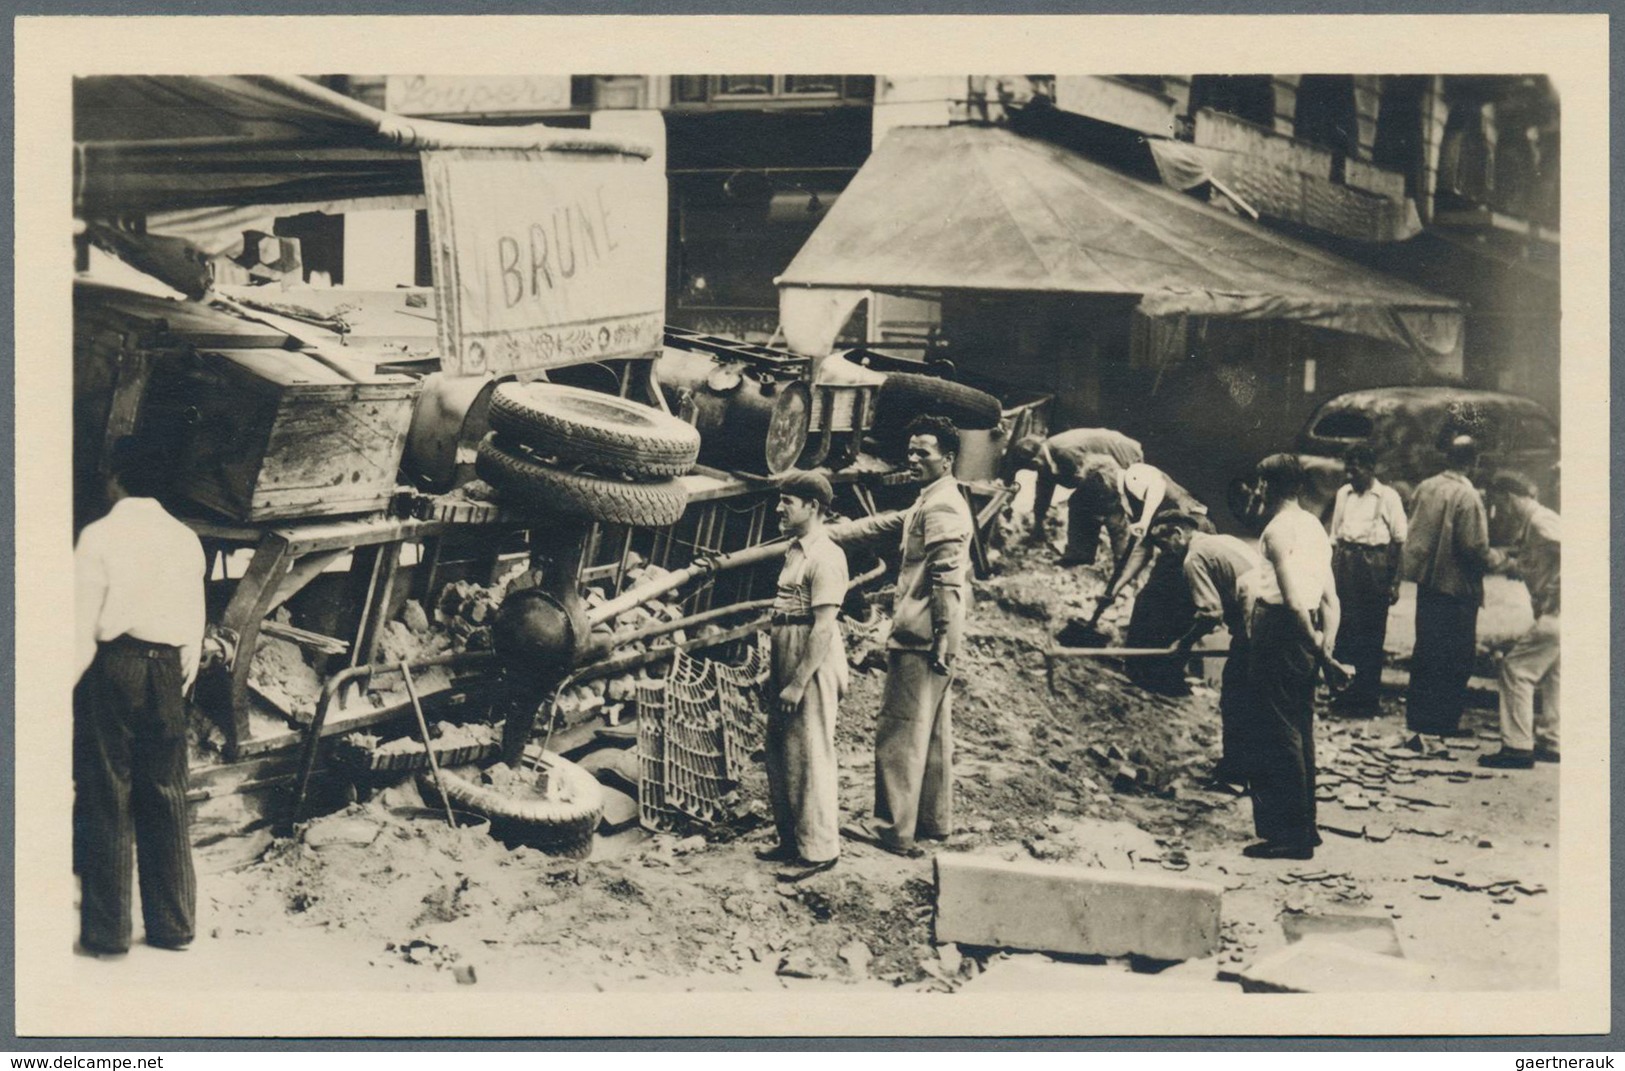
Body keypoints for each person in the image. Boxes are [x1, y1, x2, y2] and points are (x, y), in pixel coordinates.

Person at [74, 435, 206, 955]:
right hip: (169, 669)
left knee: (109, 791)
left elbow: (80, 629)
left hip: (117, 666)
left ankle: (108, 934)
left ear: (115, 480)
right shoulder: (185, 539)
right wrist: (178, 680)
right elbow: (195, 627)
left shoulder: (100, 536)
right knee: (167, 792)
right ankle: (174, 927)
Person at [841, 415, 975, 859]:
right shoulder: (937, 498)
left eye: (924, 453)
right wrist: (831, 532)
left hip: (921, 635)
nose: (914, 458)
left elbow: (947, 579)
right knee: (932, 733)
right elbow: (886, 525)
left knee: (899, 733)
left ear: (948, 459)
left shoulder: (941, 506)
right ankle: (933, 823)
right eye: (912, 450)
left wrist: (939, 639)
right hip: (935, 634)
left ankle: (893, 829)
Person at [1245, 454, 1339, 861]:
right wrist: (1325, 646)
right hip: (1306, 631)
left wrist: (1320, 649)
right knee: (1300, 727)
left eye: (1261, 484)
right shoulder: (1315, 526)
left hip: (1280, 629)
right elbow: (1330, 601)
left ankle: (1289, 837)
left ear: (1266, 486)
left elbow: (1294, 601)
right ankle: (1305, 827)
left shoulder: (1276, 530)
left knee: (1275, 731)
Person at [759, 471, 850, 880]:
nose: (780, 508)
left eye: (788, 502)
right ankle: (791, 840)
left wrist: (798, 682)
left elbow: (824, 627)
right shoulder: (795, 551)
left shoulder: (826, 555)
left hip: (810, 657)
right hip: (786, 648)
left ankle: (818, 850)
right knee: (781, 750)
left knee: (810, 750)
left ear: (812, 507)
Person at [1147, 515, 1262, 786]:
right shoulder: (1223, 541)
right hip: (1274, 621)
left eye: (1165, 546)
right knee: (1258, 699)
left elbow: (1211, 613)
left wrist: (1184, 643)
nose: (1167, 553)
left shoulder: (1193, 558)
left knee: (1235, 697)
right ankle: (1257, 770)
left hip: (1255, 628)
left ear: (1177, 533)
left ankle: (1235, 774)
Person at [1400, 435, 1498, 736]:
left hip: (1427, 585)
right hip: (1457, 589)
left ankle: (1418, 718)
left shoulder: (1426, 487)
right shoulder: (1467, 497)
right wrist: (1497, 559)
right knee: (1455, 657)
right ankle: (1443, 722)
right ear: (1474, 462)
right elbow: (1473, 547)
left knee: (1426, 650)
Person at [1478, 471, 1560, 769]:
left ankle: (1517, 746)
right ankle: (1553, 741)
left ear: (1509, 497)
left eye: (1499, 500)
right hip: (1557, 612)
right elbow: (1530, 563)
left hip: (1558, 611)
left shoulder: (1540, 521)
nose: (1501, 510)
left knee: (1515, 669)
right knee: (1553, 672)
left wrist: (1559, 593)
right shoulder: (1532, 526)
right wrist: (1503, 561)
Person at [1327, 444, 1408, 716]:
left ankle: (1366, 700)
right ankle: (1342, 696)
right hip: (1346, 564)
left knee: (1370, 636)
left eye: (1356, 468)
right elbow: (1335, 537)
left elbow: (1399, 542)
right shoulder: (1343, 495)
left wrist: (1395, 582)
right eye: (1347, 468)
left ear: (1371, 469)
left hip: (1374, 567)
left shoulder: (1388, 497)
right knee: (1343, 631)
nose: (1350, 474)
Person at [1008, 428, 1144, 566]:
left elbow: (1097, 478)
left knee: (1108, 508)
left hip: (1124, 455)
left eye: (1033, 468)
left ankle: (1124, 563)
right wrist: (1038, 522)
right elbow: (1044, 488)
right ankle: (1081, 555)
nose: (1036, 471)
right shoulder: (1047, 456)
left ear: (1035, 462)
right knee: (1081, 502)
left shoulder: (1066, 452)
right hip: (1105, 461)